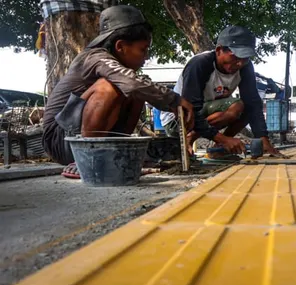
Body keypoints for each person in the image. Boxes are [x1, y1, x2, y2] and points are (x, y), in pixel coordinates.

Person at [42, 5, 194, 179]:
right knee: (111, 87)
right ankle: (87, 159)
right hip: (59, 140)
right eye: (143, 49)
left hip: (75, 135)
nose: (146, 57)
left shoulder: (118, 68)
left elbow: (137, 87)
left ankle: (115, 153)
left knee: (138, 91)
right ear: (120, 46)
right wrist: (174, 99)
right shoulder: (95, 57)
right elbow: (132, 84)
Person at [160, 25, 280, 158]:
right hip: (179, 120)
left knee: (248, 108)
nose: (240, 63)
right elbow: (191, 109)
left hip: (203, 116)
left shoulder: (245, 67)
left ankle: (219, 149)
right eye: (235, 57)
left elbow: (253, 103)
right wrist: (222, 138)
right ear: (218, 50)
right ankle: (189, 140)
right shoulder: (200, 64)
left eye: (245, 58)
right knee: (236, 105)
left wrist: (264, 139)